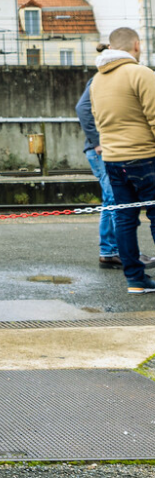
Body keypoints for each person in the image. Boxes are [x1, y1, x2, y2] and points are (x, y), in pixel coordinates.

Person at [92, 27, 155, 293]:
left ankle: (136, 280)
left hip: (114, 161)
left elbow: (99, 121)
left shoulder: (97, 81)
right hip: (145, 157)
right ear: (136, 45)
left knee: (126, 220)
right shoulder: (140, 74)